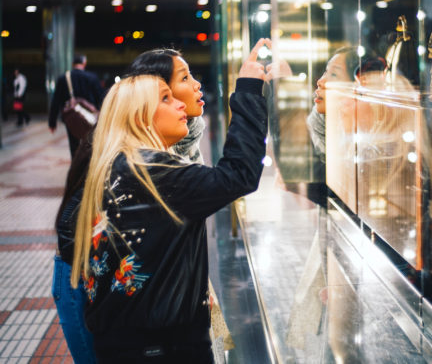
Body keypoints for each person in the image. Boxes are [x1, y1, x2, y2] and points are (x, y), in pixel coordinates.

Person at [70, 39, 270, 363]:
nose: (179, 101)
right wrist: (248, 86)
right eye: (166, 97)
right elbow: (238, 175)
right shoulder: (150, 170)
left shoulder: (120, 161)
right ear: (140, 116)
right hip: (160, 346)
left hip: (132, 338)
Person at [53, 48, 209, 363]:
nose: (196, 85)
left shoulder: (178, 141)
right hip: (82, 282)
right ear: (154, 94)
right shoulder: (126, 149)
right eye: (184, 78)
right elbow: (70, 229)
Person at [49, 54, 105, 156]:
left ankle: (76, 166)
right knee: (90, 143)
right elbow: (101, 98)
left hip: (71, 116)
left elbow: (56, 100)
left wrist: (52, 122)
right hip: (90, 117)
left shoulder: (63, 78)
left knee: (73, 144)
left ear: (72, 64)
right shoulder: (92, 77)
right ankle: (88, 167)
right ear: (84, 63)